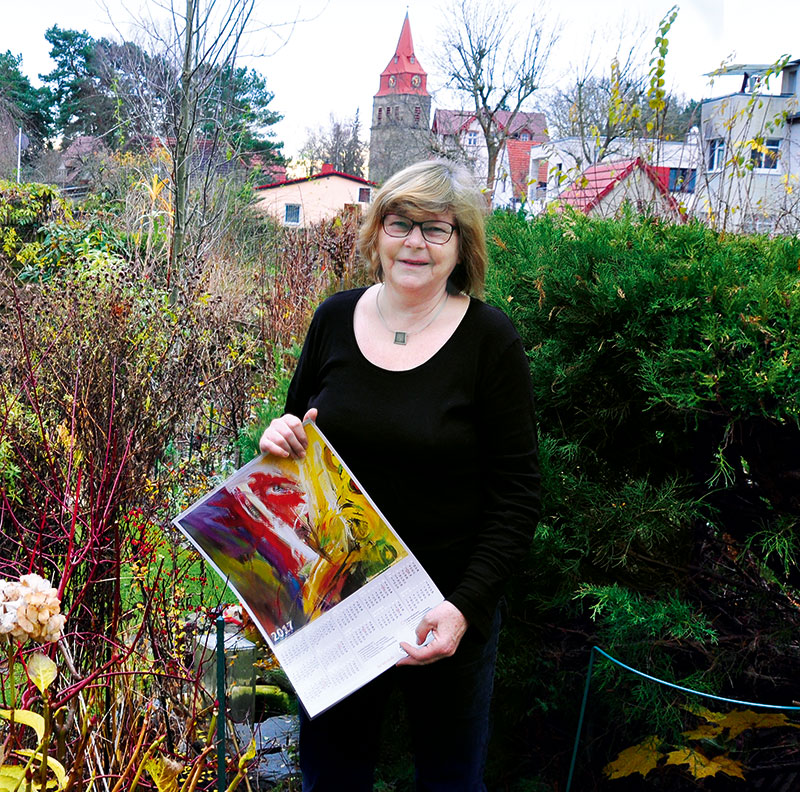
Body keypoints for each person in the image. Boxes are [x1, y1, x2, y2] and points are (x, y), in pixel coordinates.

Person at [259, 158, 540, 791]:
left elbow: (518, 495)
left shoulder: (490, 342)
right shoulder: (334, 318)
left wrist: (464, 609)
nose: (414, 242)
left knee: (450, 780)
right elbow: (297, 430)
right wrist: (277, 438)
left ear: (461, 245)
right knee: (330, 777)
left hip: (445, 608)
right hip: (335, 606)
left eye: (436, 229)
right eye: (399, 222)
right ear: (376, 233)